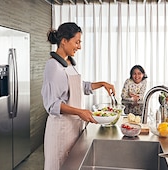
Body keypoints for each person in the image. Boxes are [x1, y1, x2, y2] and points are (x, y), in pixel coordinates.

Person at [41, 22, 115, 170]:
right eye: (77, 42)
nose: (79, 46)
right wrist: (80, 112)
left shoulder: (69, 63)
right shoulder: (53, 66)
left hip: (74, 128)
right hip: (60, 131)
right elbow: (52, 104)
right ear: (64, 41)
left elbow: (80, 87)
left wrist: (101, 84)